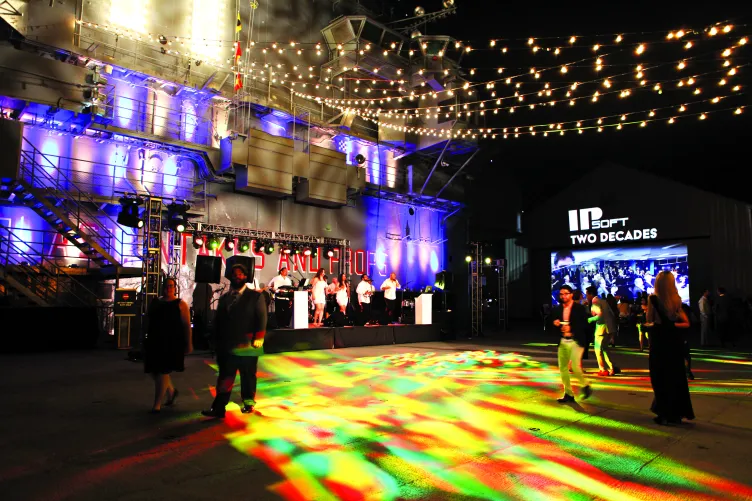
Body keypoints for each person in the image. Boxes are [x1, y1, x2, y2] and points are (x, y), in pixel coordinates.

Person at [202, 264, 267, 418]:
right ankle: (219, 408)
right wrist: (215, 341)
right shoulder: (225, 298)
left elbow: (262, 318)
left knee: (248, 375)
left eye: (240, 274)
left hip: (248, 344)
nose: (237, 276)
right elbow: (219, 321)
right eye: (234, 274)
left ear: (246, 277)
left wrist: (259, 337)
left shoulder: (255, 296)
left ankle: (248, 402)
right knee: (225, 376)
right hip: (227, 345)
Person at [645, 271, 694, 426]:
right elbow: (686, 322)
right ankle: (676, 412)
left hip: (659, 341)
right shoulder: (677, 299)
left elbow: (649, 319)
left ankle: (663, 412)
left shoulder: (653, 299)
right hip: (674, 342)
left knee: (659, 377)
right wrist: (672, 324)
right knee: (675, 377)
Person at [143, 277, 192, 413]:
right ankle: (170, 391)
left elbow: (187, 325)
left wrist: (189, 343)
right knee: (154, 370)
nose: (168, 288)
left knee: (163, 371)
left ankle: (157, 405)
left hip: (172, 342)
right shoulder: (155, 302)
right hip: (155, 340)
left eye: (171, 286)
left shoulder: (181, 304)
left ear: (175, 288)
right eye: (166, 286)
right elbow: (148, 320)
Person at [552, 285, 592, 403]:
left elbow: (585, 325)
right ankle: (568, 394)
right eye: (561, 294)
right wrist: (556, 323)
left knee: (574, 366)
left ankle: (585, 385)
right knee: (562, 368)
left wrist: (572, 327)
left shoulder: (579, 308)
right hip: (563, 340)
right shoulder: (558, 309)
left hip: (576, 341)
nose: (563, 296)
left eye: (566, 293)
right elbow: (553, 322)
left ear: (571, 294)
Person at [586, 286, 620, 377]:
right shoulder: (603, 301)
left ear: (590, 294)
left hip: (601, 329)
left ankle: (602, 370)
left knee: (598, 350)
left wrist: (589, 320)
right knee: (605, 349)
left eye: (587, 294)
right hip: (609, 328)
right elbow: (611, 314)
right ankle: (612, 367)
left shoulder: (595, 302)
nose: (586, 296)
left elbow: (599, 315)